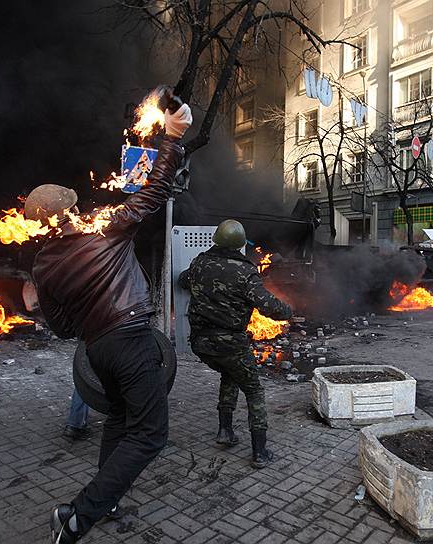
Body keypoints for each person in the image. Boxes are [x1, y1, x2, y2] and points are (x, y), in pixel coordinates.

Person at [27, 101, 192, 544]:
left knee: (119, 419)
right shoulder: (102, 229)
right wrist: (171, 138)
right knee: (151, 434)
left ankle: (108, 497)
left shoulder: (43, 267)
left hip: (96, 351)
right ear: (68, 211)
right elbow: (155, 192)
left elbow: (62, 329)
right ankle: (77, 516)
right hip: (132, 343)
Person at [178, 219, 292, 468]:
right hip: (231, 345)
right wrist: (288, 310)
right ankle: (260, 452)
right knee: (254, 390)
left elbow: (183, 281)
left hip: (201, 343)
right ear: (240, 245)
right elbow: (270, 307)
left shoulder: (199, 262)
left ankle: (225, 431)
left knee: (230, 375)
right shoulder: (245, 272)